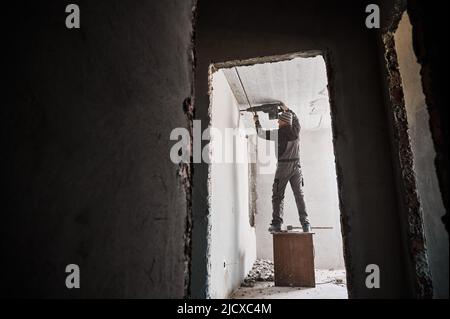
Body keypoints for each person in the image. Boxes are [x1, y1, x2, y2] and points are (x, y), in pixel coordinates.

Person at [253, 104, 310, 233]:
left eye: (279, 120)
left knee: (278, 196)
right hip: (296, 168)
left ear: (284, 121)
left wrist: (256, 121)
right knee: (299, 195)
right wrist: (287, 109)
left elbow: (261, 133)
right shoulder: (296, 130)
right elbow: (295, 119)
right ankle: (306, 223)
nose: (277, 121)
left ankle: (277, 224)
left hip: (283, 168)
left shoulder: (278, 134)